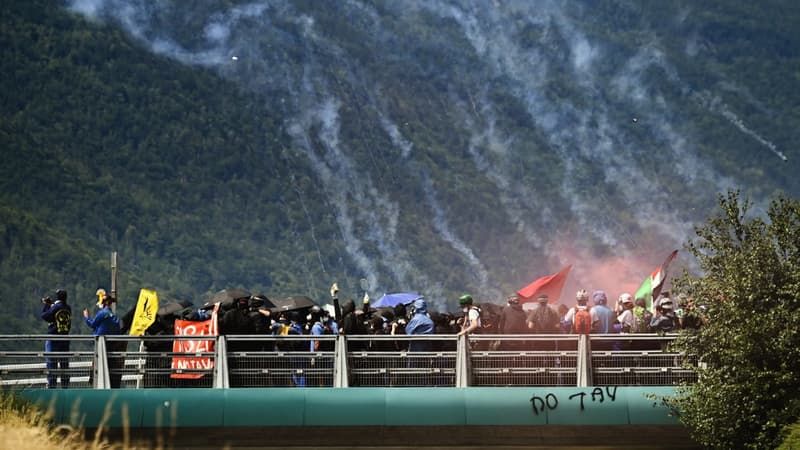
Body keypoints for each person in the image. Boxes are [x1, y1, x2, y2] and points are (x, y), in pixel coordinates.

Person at [83, 289, 124, 388]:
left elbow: (92, 324)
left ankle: (95, 383)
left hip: (100, 346)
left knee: (96, 368)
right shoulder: (114, 316)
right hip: (111, 347)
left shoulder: (103, 313)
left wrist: (86, 317)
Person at [40, 289, 72, 389]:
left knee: (51, 363)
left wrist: (46, 305)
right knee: (64, 364)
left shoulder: (55, 307)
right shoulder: (68, 308)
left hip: (53, 338)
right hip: (64, 339)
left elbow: (45, 316)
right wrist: (52, 305)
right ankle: (65, 386)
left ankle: (52, 385)